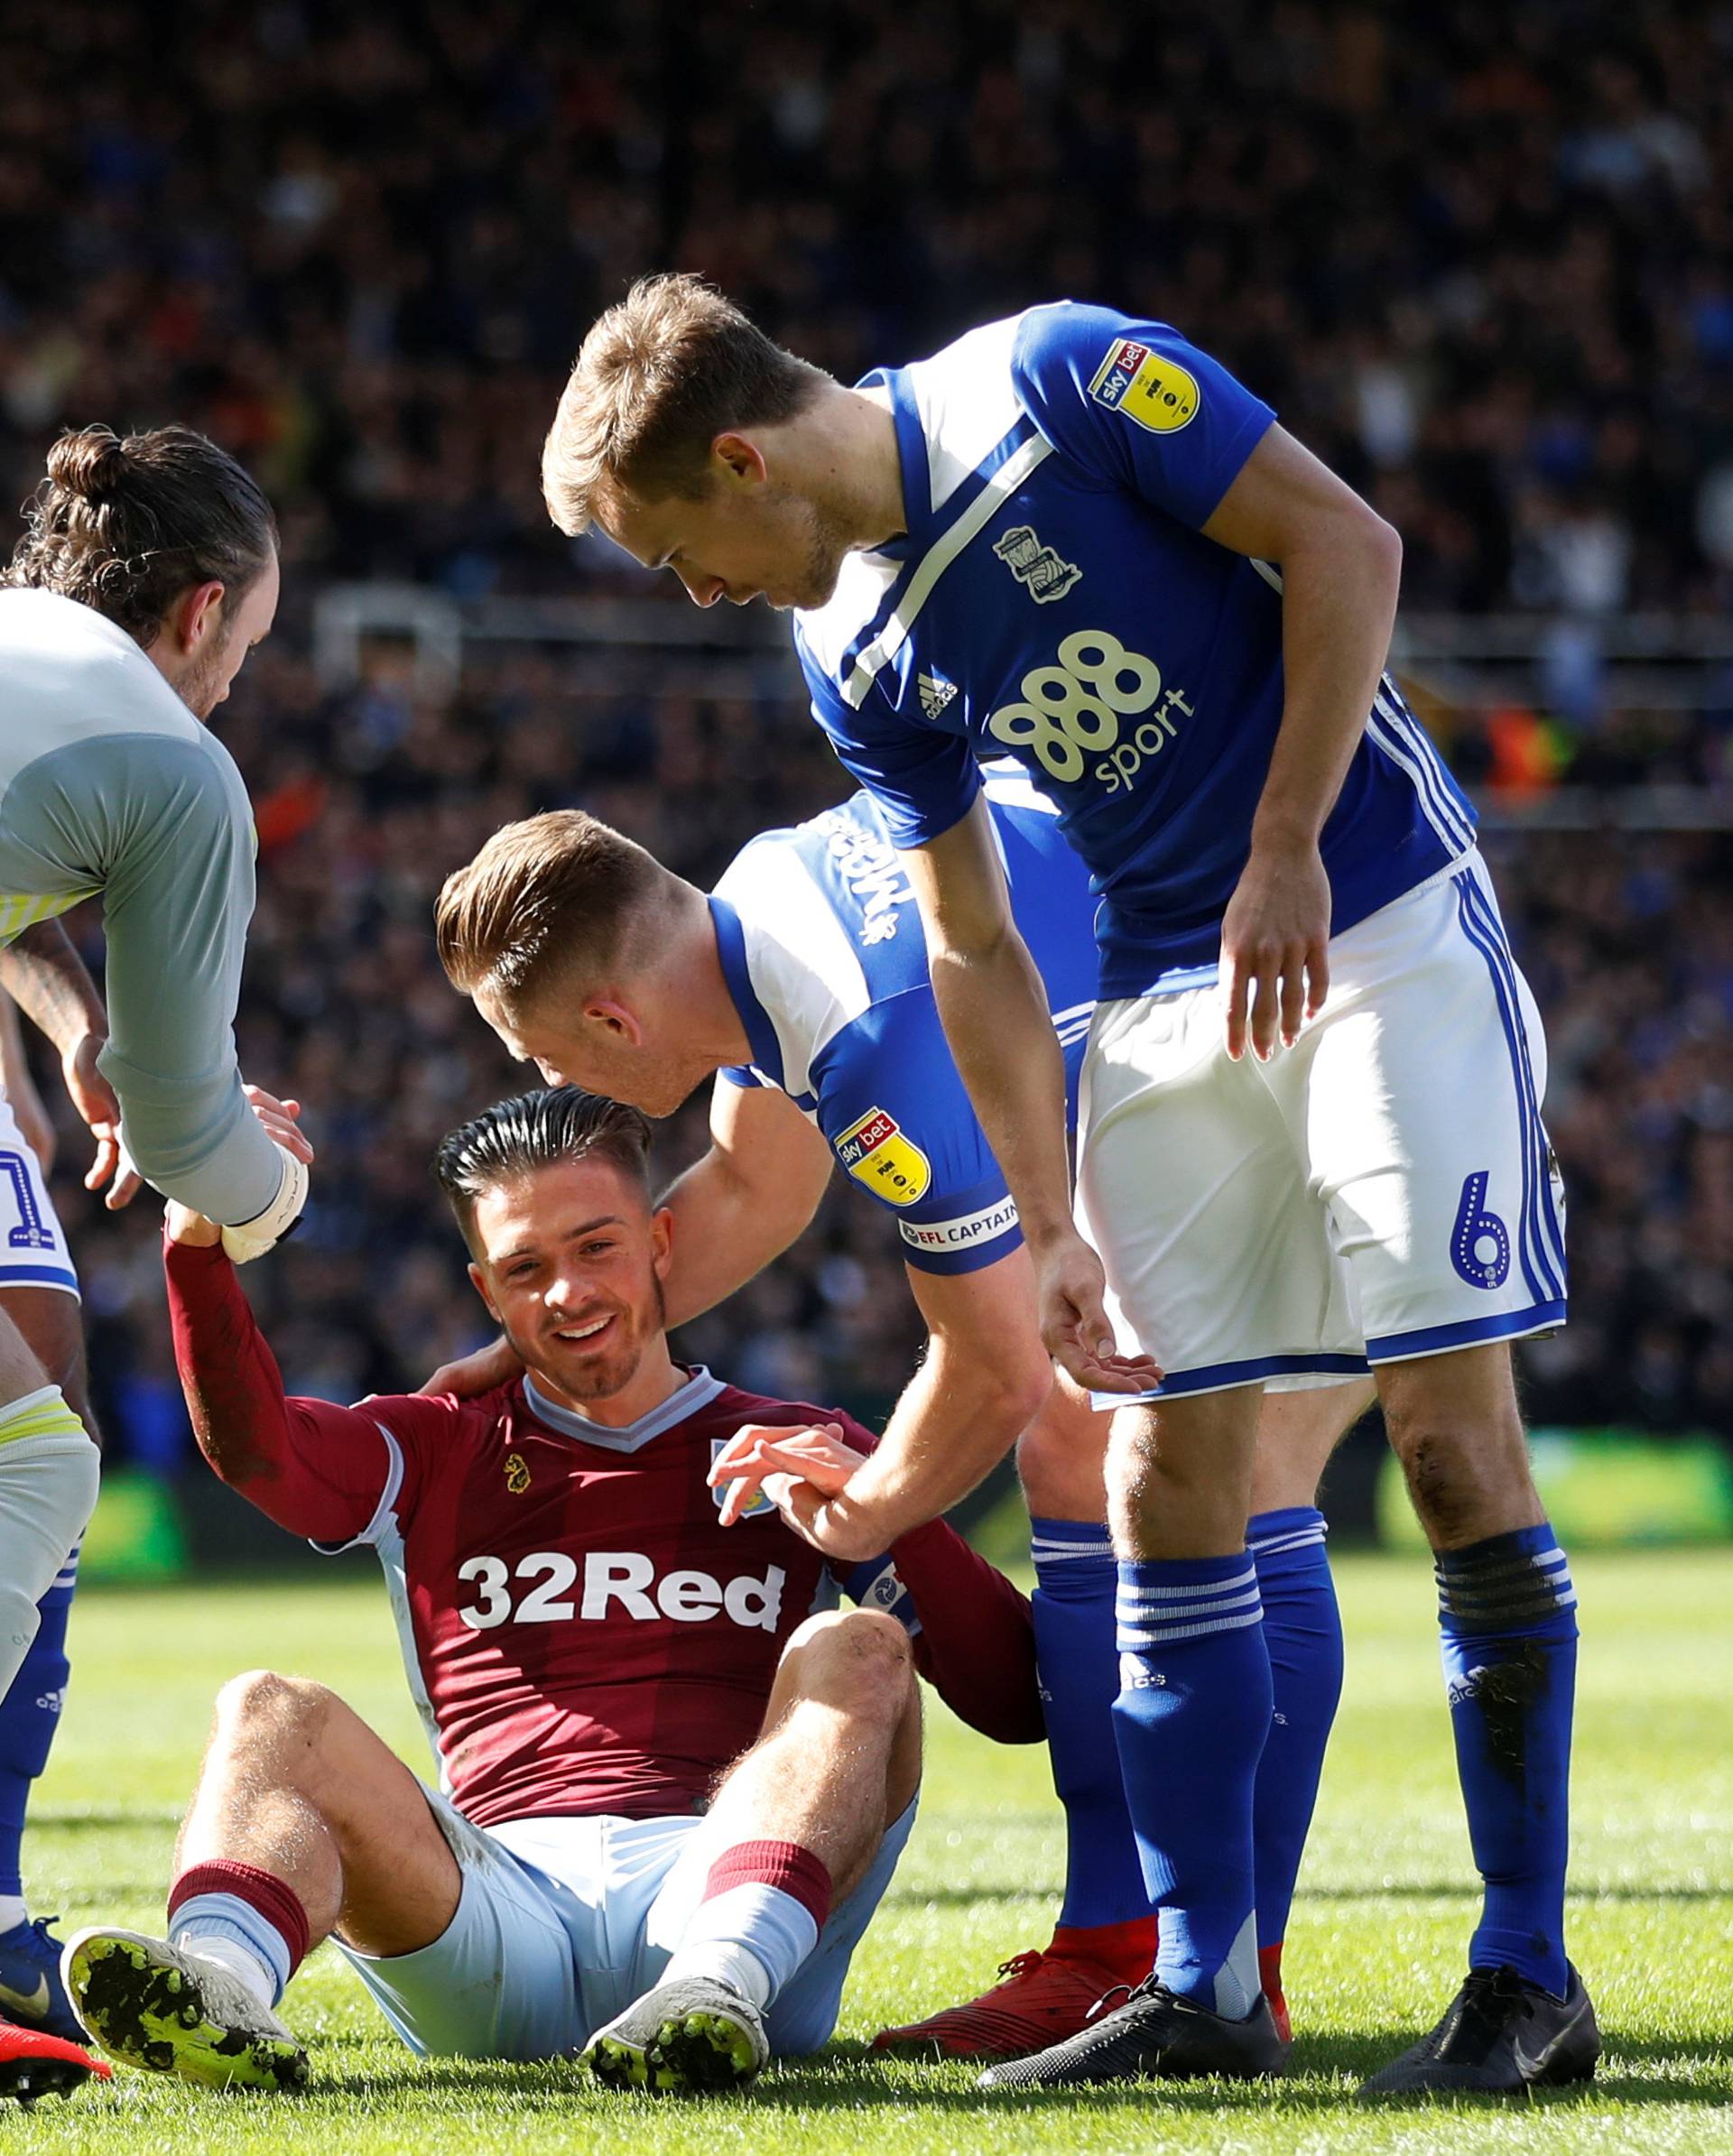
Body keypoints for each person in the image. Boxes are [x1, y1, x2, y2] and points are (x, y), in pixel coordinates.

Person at [531, 274, 1595, 2099]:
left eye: (675, 545)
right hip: (1168, 1004)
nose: (688, 590)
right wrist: (1051, 1218)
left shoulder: (1055, 380)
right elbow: (969, 941)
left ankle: (1525, 1973)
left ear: (739, 455)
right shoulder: (846, 651)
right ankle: (1205, 1984)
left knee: (1447, 1443)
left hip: (1377, 918)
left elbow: (1349, 541)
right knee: (1150, 1468)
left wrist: (1284, 851)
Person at [431, 782, 1368, 2061]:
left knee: (1210, 1465)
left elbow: (992, 1368)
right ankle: (1116, 1948)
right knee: (1091, 1448)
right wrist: (539, 1343)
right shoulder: (756, 905)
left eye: (539, 1053)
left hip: (1342, 1042)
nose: (546, 1080)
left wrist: (866, 1507)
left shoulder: (875, 1040)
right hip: (1244, 1028)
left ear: (610, 1012)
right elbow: (758, 1185)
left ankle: (1219, 1970)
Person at [62, 1087, 1041, 2096]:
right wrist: (196, 1246)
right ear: (488, 1291)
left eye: (596, 1247)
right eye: (527, 1268)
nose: (567, 1292)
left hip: (728, 1889)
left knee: (859, 1643)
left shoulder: (797, 1442)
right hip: (494, 1905)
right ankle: (217, 1987)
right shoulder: (438, 1440)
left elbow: (1015, 1698)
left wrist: (878, 1505)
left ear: (662, 1239)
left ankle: (713, 1990)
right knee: (267, 1710)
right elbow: (259, 1451)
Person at [0, 423, 309, 2104]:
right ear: (200, 612)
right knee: (37, 1466)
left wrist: (76, 1023)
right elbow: (195, 1142)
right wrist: (270, 1198)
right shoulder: (177, 767)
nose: (233, 692)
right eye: (247, 653)